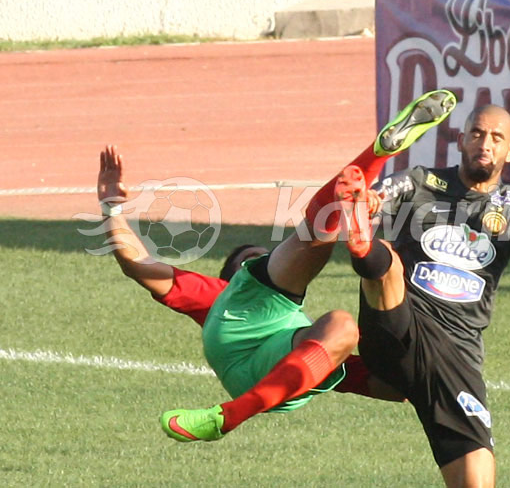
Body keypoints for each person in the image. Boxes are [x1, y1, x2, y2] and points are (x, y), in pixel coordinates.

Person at [94, 88, 457, 442]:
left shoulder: (297, 330)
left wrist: (418, 361)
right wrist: (111, 208)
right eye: (249, 262)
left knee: (343, 328)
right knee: (311, 240)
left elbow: (394, 389)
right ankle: (370, 163)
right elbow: (137, 263)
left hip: (279, 375)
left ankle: (369, 169)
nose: (258, 261)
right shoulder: (216, 296)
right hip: (238, 342)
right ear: (231, 278)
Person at [341, 104, 510, 487]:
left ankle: (330, 367)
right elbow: (377, 196)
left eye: (497, 138)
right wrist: (369, 203)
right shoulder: (419, 182)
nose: (485, 143)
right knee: (387, 263)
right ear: (461, 140)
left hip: (457, 354)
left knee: (476, 479)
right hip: (402, 321)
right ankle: (365, 250)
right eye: (477, 133)